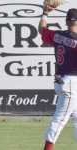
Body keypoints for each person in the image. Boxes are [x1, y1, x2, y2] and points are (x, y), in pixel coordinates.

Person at [39, 5, 77, 150]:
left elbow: (42, 31)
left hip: (63, 81)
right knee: (58, 121)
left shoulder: (57, 35)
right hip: (71, 84)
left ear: (66, 21)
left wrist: (45, 13)